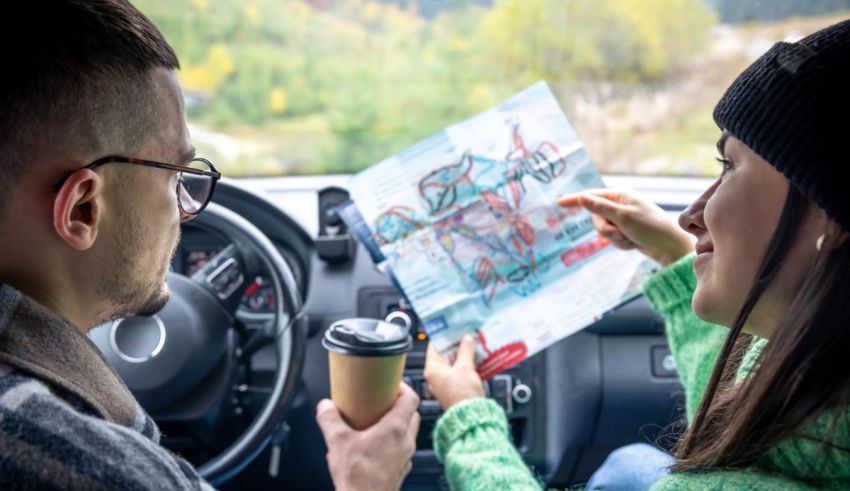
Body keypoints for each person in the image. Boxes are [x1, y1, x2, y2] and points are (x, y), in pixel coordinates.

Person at [0, 1, 418, 489]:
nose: (185, 206)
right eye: (176, 176)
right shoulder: (106, 472)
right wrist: (366, 480)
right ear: (83, 209)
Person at [423, 17, 850, 490]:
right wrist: (673, 254)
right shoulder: (820, 380)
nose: (690, 215)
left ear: (830, 218)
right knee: (629, 465)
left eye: (729, 166)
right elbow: (742, 409)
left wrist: (468, 427)